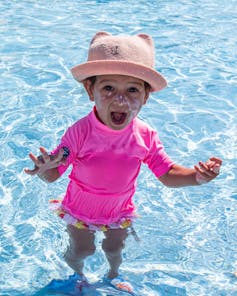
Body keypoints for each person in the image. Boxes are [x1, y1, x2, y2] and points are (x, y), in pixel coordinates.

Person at [25, 31, 222, 293]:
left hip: (119, 211)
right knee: (80, 250)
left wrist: (197, 177)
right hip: (80, 210)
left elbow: (168, 173)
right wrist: (45, 170)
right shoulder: (80, 132)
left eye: (132, 89)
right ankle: (77, 275)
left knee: (114, 249)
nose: (120, 99)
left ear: (146, 96)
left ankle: (113, 275)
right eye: (108, 88)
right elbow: (54, 171)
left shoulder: (145, 135)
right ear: (90, 89)